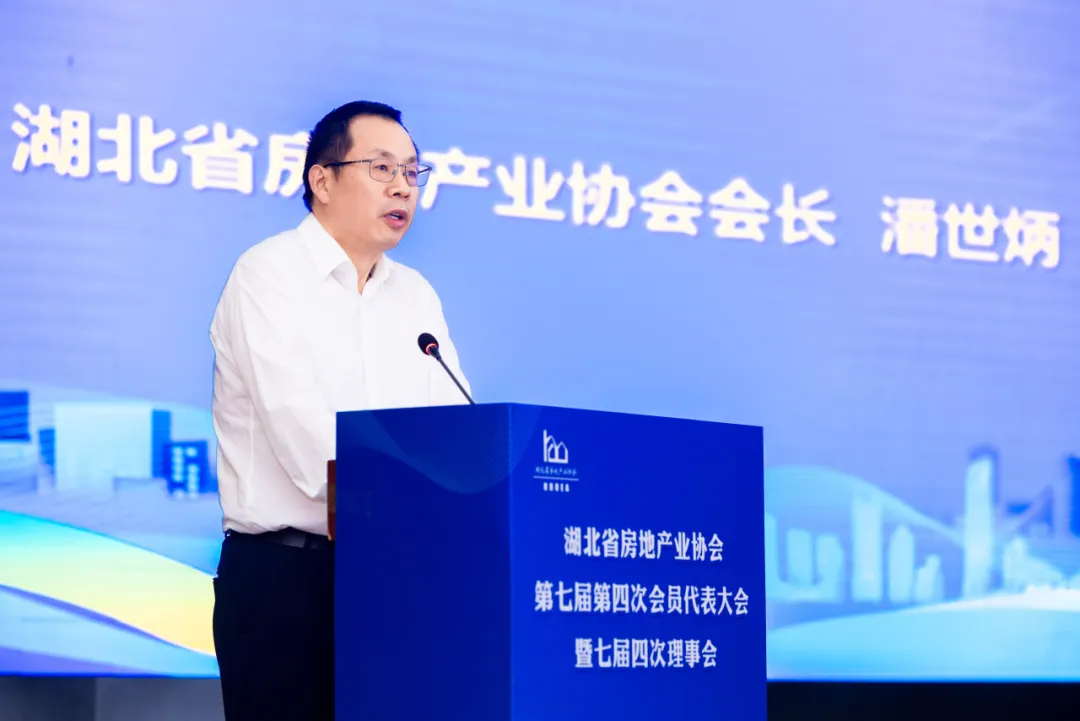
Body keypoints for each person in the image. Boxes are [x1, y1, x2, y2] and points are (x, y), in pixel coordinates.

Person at [208, 100, 471, 721]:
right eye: (381, 168)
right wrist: (418, 490)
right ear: (321, 181)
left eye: (412, 171)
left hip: (395, 578)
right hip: (286, 581)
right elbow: (308, 447)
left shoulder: (415, 296)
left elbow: (455, 435)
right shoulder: (267, 275)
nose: (403, 186)